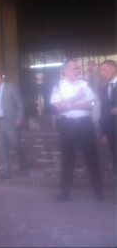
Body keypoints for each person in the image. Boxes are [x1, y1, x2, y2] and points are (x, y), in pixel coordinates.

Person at [50, 59, 104, 202]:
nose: (77, 71)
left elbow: (90, 105)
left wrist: (68, 104)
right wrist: (77, 97)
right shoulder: (58, 86)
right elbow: (57, 107)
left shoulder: (85, 84)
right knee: (67, 160)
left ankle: (99, 193)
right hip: (68, 126)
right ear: (66, 70)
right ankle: (64, 193)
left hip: (85, 125)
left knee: (92, 159)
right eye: (74, 69)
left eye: (78, 69)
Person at [0, 71, 28, 179]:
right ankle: (5, 172)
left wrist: (19, 118)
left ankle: (24, 162)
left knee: (16, 144)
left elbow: (20, 104)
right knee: (2, 148)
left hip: (11, 122)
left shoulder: (11, 87)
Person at [99, 60, 116, 173]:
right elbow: (103, 112)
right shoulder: (103, 90)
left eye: (104, 69)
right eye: (100, 70)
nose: (102, 73)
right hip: (111, 132)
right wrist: (104, 132)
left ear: (113, 69)